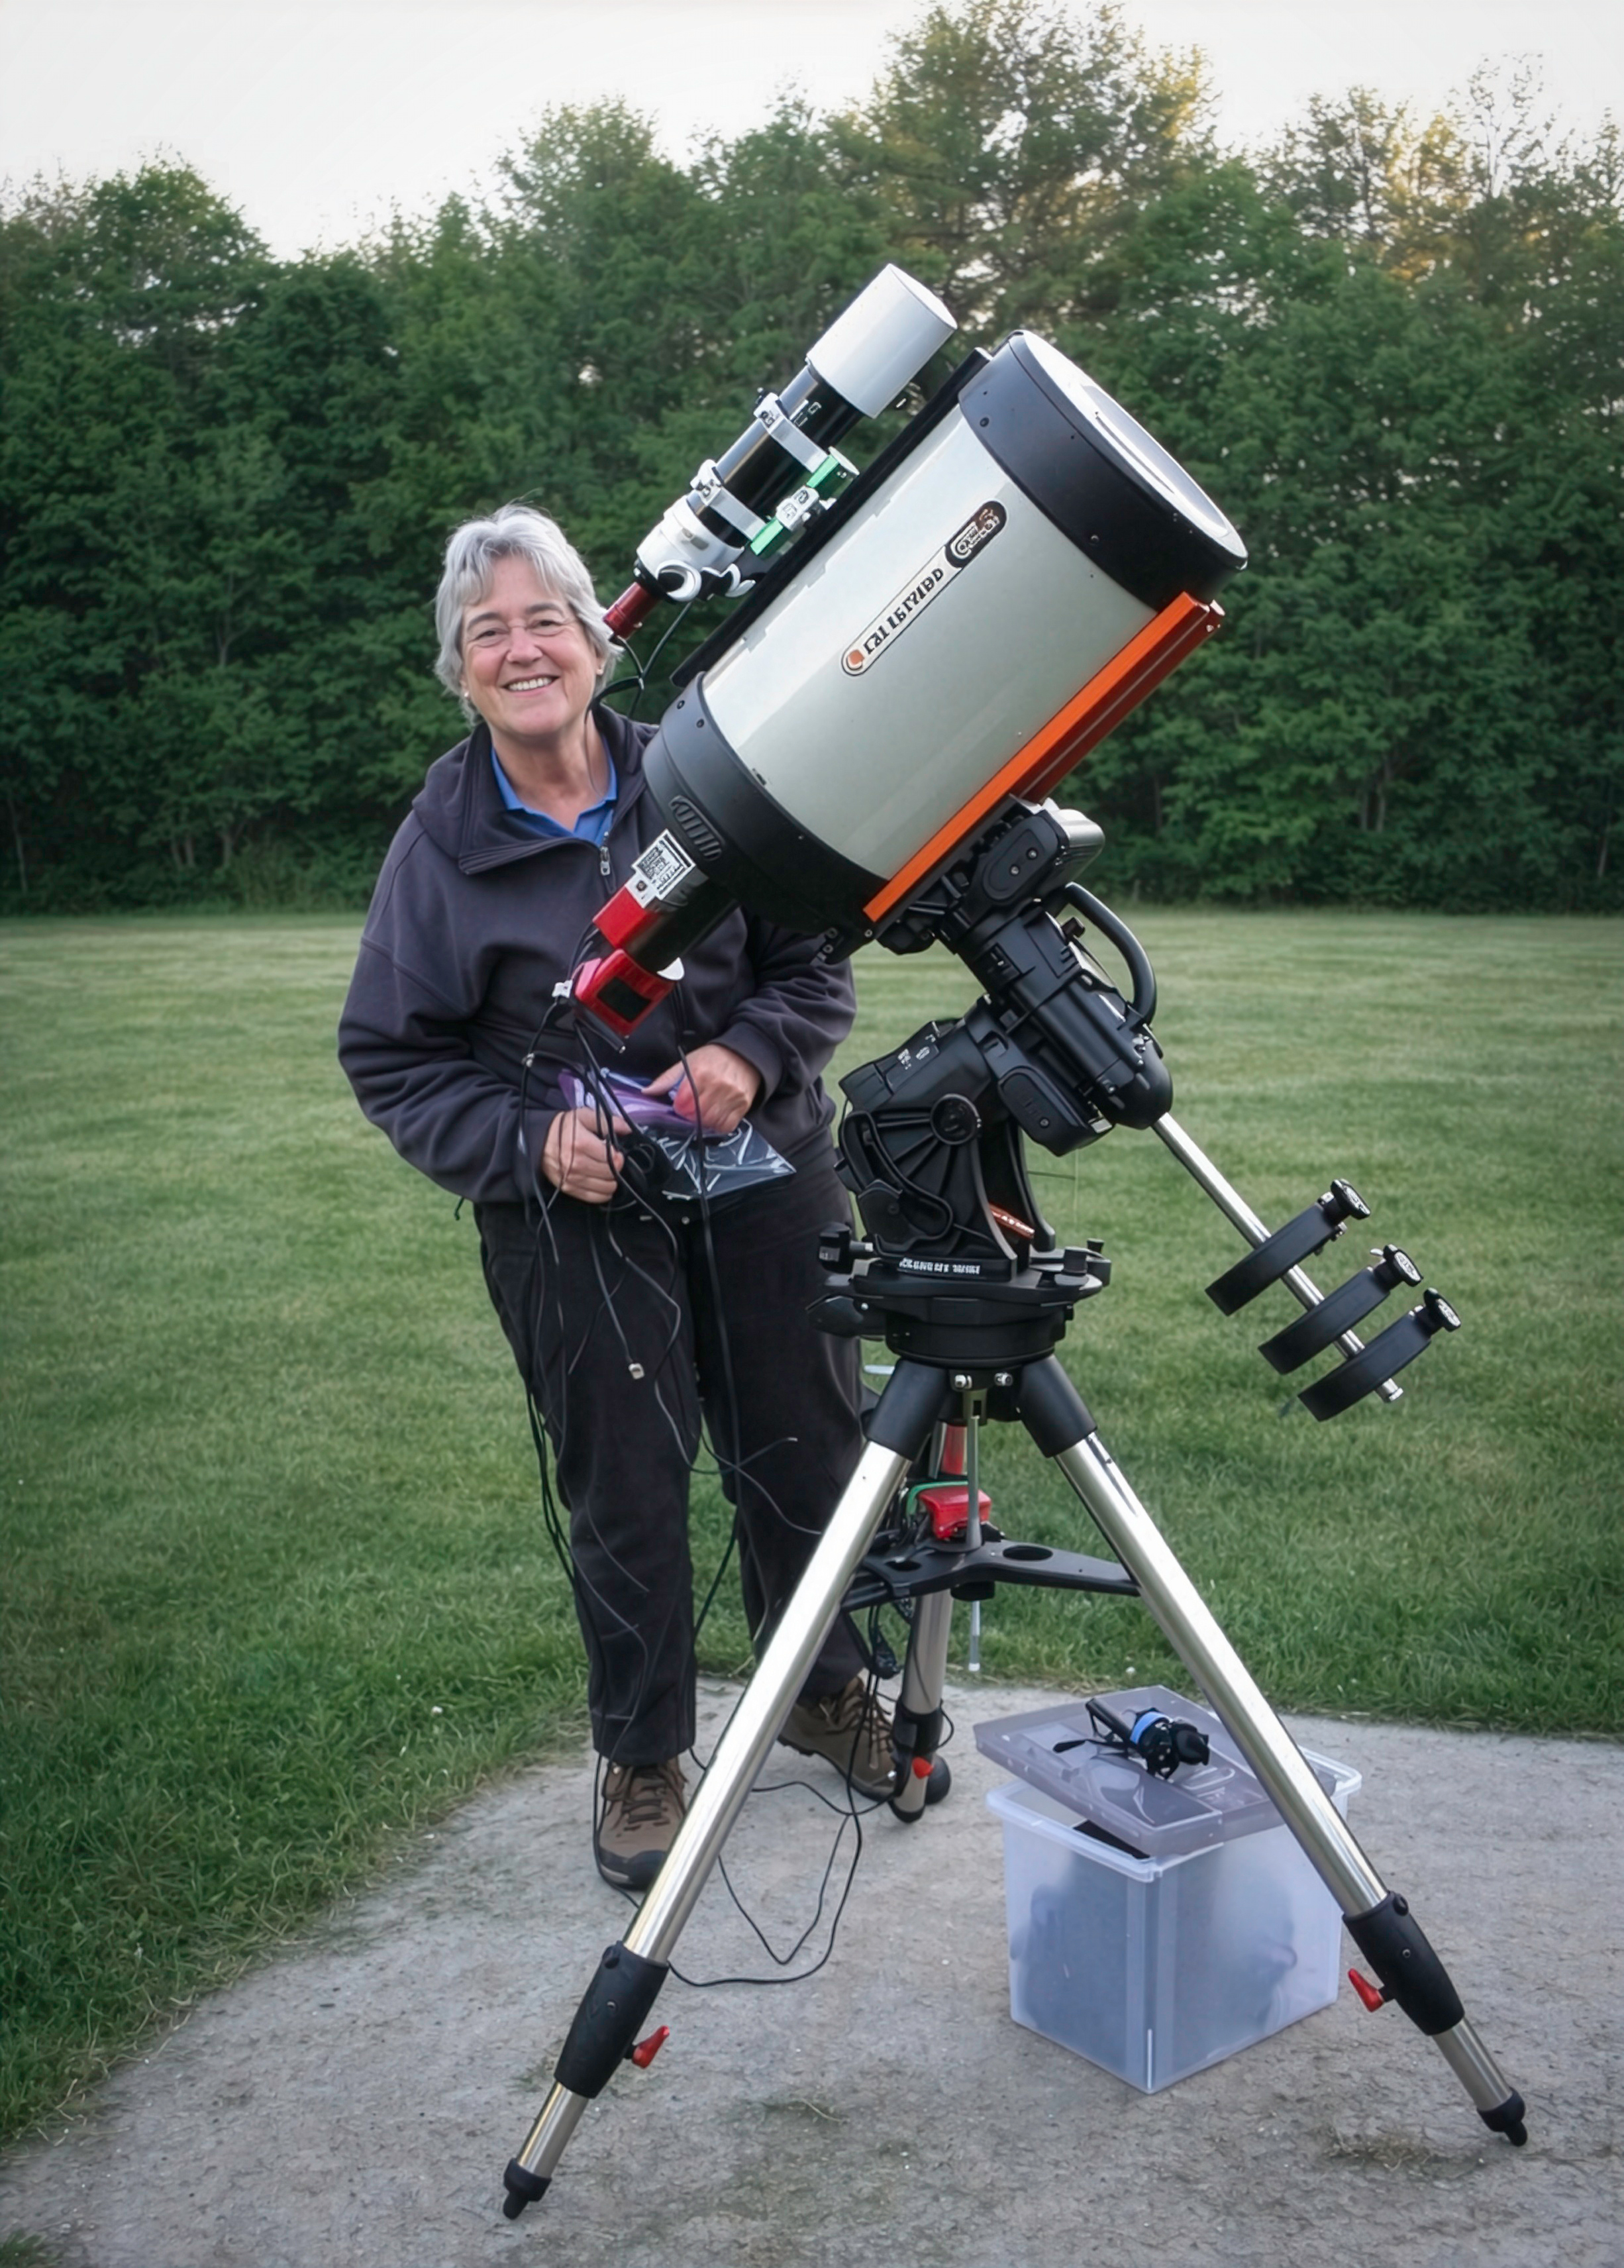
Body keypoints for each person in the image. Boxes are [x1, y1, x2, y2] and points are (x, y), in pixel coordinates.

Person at [338, 502, 898, 1890]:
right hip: (573, 1215)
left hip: (764, 1177)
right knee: (627, 1481)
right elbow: (392, 1055)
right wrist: (533, 1143)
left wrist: (745, 1053)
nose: (522, 649)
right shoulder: (440, 844)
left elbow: (812, 963)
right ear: (461, 672)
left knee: (809, 1443)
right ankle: (644, 1753)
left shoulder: (706, 782)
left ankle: (826, 1690)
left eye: (547, 620)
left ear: (598, 642)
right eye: (489, 632)